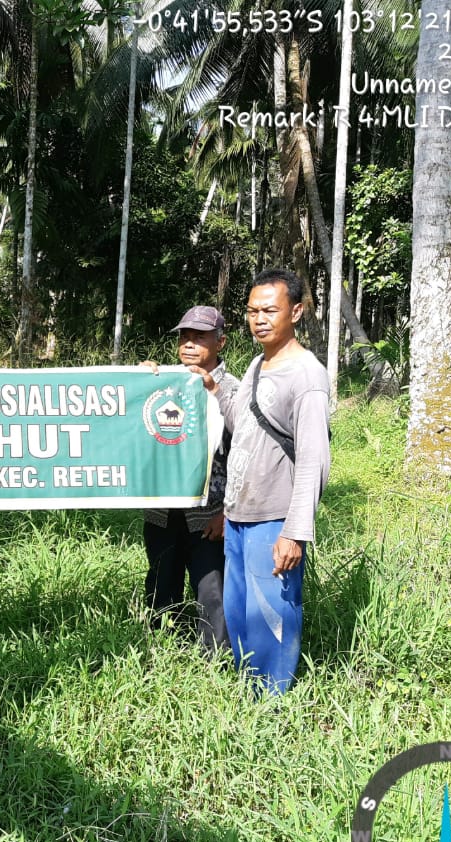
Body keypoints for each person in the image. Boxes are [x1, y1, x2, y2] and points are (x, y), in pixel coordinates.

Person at [192, 269, 331, 694]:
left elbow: (314, 459)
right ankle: (245, 695)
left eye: (270, 310)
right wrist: (215, 387)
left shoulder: (306, 376)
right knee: (240, 613)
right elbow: (243, 425)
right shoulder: (257, 364)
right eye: (252, 311)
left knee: (272, 618)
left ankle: (271, 708)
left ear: (297, 311)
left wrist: (295, 533)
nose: (260, 319)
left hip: (274, 519)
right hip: (238, 515)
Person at [140, 306, 239, 654]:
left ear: (221, 342)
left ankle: (214, 664)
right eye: (184, 336)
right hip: (164, 509)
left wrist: (227, 512)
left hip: (209, 514)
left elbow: (245, 457)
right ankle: (158, 652)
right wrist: (135, 382)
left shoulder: (233, 391)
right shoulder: (163, 383)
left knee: (211, 589)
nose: (189, 344)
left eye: (200, 337)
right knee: (160, 582)